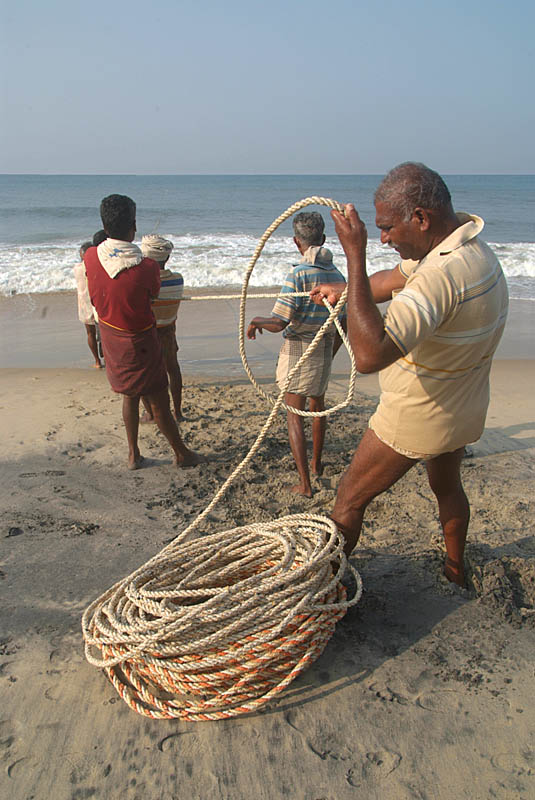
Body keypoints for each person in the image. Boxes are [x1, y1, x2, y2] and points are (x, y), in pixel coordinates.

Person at [310, 162, 509, 585]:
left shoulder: (439, 276)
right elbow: (392, 280)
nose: (383, 239)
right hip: (463, 407)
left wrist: (355, 255)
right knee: (447, 487)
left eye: (387, 228)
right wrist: (345, 290)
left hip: (418, 412)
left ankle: (322, 591)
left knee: (348, 499)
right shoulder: (470, 248)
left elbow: (368, 355)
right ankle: (456, 571)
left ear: (420, 218)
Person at [84, 194, 204, 470]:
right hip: (140, 340)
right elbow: (151, 294)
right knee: (159, 398)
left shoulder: (92, 256)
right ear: (133, 226)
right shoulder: (146, 267)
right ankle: (181, 453)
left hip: (111, 337)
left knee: (130, 395)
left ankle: (133, 454)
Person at [247, 212, 347, 497]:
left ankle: (304, 484)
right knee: (318, 405)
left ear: (296, 242)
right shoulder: (338, 276)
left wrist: (256, 321)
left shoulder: (299, 273)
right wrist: (330, 350)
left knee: (293, 414)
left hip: (299, 348)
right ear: (324, 239)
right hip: (324, 346)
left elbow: (279, 323)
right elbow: (344, 324)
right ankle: (316, 464)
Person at [139, 234, 185, 423]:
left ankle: (150, 412)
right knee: (173, 369)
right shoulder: (177, 280)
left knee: (143, 375)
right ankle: (178, 411)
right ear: (167, 257)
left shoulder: (143, 282)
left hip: (149, 333)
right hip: (168, 331)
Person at [73, 241, 103, 369]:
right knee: (104, 333)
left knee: (90, 333)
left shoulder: (77, 268)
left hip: (84, 304)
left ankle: (97, 361)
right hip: (97, 303)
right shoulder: (97, 267)